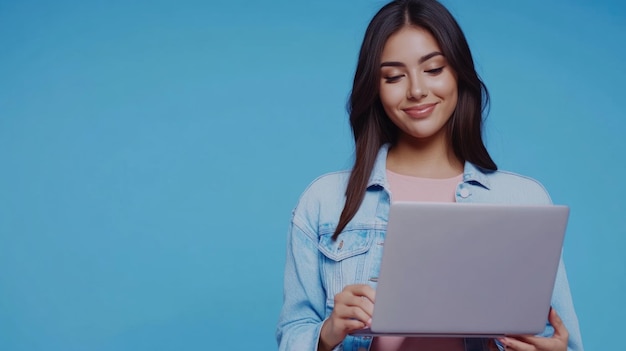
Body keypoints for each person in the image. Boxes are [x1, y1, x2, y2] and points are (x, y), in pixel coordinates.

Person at [276, 0, 584, 350]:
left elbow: (563, 340)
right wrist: (327, 333)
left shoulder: (524, 200)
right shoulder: (327, 201)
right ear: (374, 88)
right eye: (393, 76)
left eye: (434, 69)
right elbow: (293, 333)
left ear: (458, 73)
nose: (417, 90)